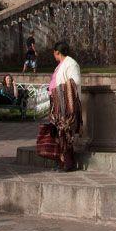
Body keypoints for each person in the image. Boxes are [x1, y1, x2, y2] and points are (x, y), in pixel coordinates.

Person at [48, 40, 82, 171]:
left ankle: (67, 163)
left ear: (57, 52)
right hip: (58, 105)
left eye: (54, 53)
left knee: (65, 133)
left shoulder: (71, 64)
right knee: (58, 133)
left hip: (66, 106)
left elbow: (75, 82)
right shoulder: (60, 65)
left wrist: (59, 90)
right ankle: (61, 162)